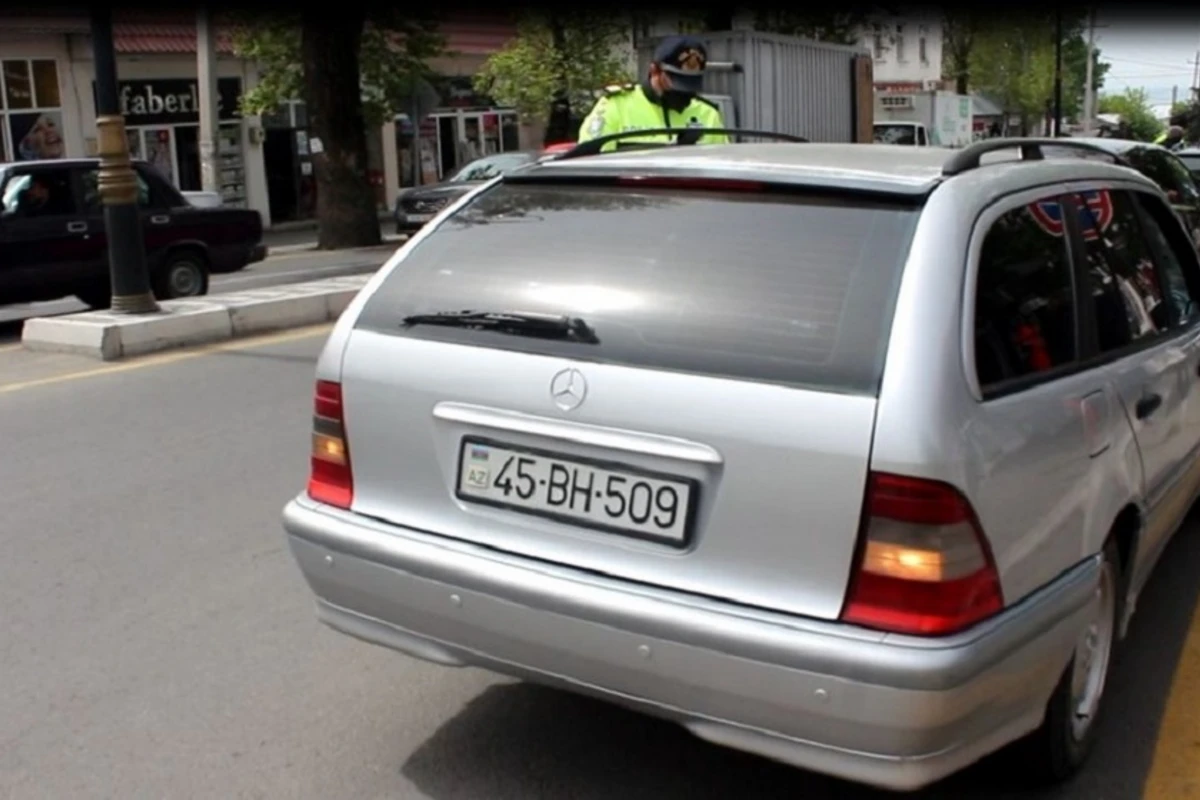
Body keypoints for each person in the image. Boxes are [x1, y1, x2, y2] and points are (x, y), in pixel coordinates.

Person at [577, 35, 729, 151]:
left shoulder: (708, 115)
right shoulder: (616, 107)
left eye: (691, 83)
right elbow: (589, 166)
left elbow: (724, 172)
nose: (685, 91)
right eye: (677, 82)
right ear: (654, 71)